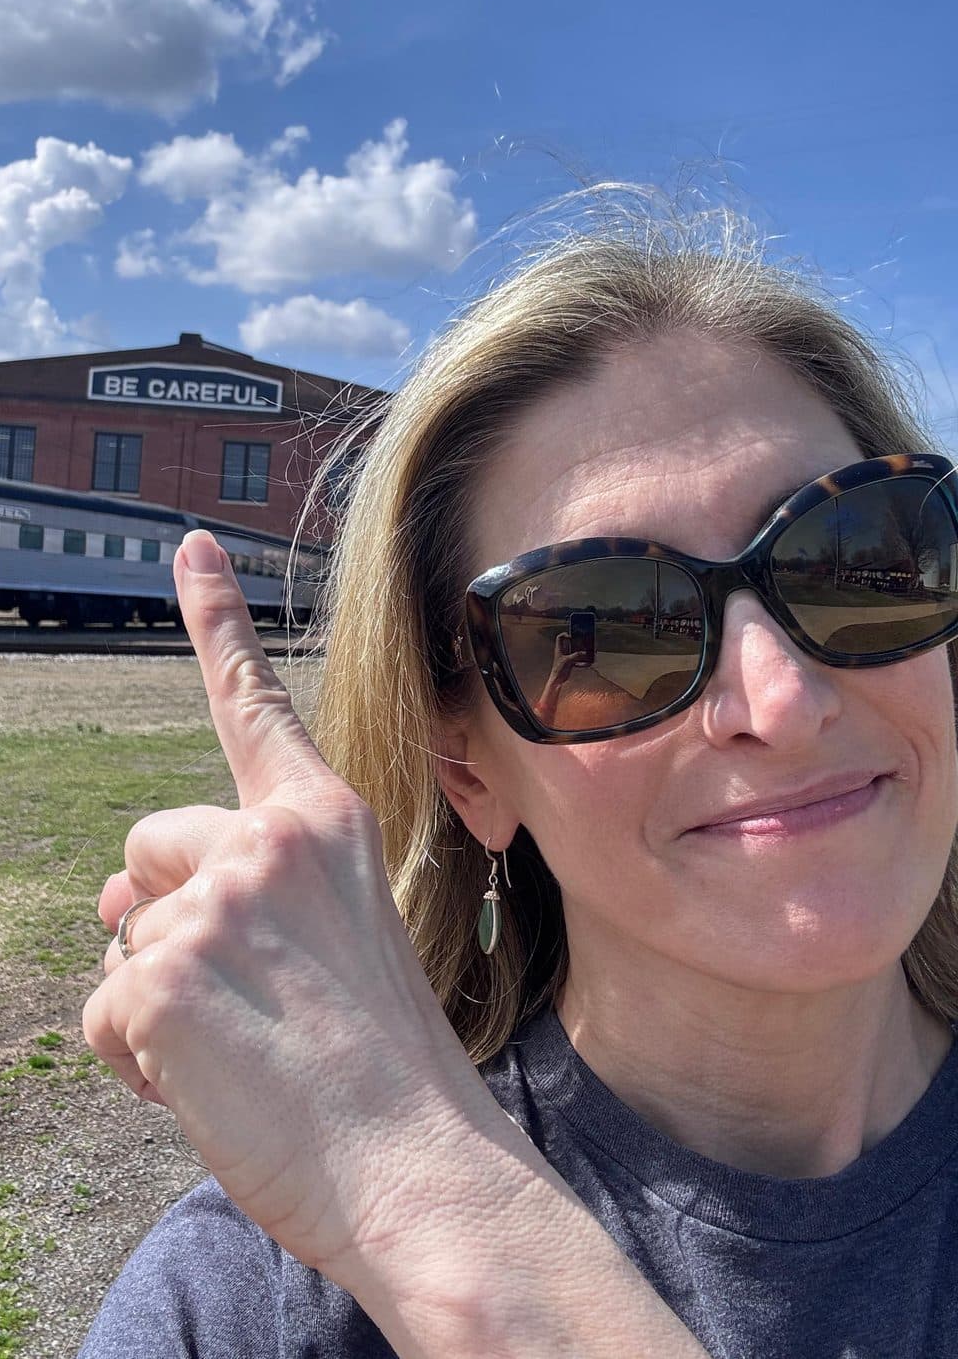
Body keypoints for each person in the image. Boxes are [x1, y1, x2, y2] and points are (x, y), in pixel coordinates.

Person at [78, 194, 958, 1359]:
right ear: (469, 772)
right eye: (602, 629)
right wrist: (417, 1193)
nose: (782, 700)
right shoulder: (250, 1311)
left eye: (856, 560)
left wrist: (460, 1231)